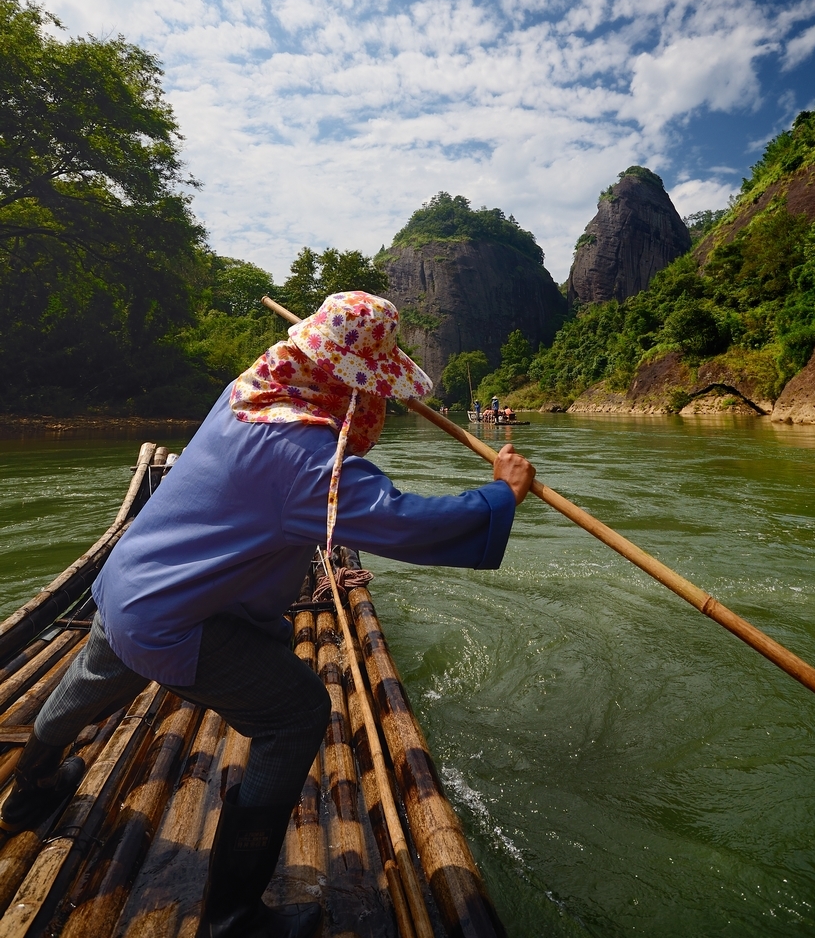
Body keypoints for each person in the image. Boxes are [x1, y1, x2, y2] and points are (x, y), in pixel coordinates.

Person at [0, 292, 535, 938]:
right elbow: (405, 522)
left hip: (127, 584)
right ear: (353, 383)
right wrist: (500, 494)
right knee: (299, 711)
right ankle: (233, 917)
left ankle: (30, 784)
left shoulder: (250, 392)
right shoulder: (304, 463)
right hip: (176, 619)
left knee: (94, 676)